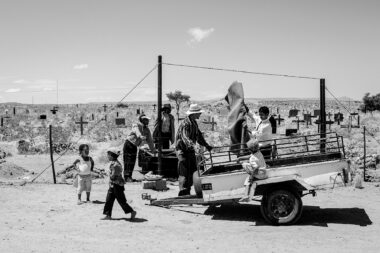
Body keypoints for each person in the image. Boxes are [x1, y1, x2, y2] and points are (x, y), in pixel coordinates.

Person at [175, 104, 213, 196]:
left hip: (190, 150)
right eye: (198, 113)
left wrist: (206, 145)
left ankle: (187, 191)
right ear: (193, 114)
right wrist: (194, 146)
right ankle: (183, 192)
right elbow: (185, 138)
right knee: (184, 171)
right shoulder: (185, 123)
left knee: (193, 170)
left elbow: (199, 136)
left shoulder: (194, 123)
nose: (200, 114)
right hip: (182, 151)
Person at [102, 148, 136, 220]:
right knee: (109, 200)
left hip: (117, 186)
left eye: (108, 155)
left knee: (121, 201)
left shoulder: (116, 165)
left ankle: (132, 211)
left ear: (112, 155)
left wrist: (106, 174)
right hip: (113, 185)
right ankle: (108, 215)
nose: (107, 156)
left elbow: (114, 177)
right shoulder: (113, 163)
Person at [123, 114, 156, 182]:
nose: (148, 121)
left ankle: (129, 176)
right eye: (146, 120)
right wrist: (140, 136)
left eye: (148, 120)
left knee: (132, 161)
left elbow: (150, 141)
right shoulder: (137, 125)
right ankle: (127, 177)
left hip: (135, 146)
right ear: (142, 120)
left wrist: (153, 150)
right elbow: (136, 131)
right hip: (129, 144)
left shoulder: (147, 130)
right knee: (128, 161)